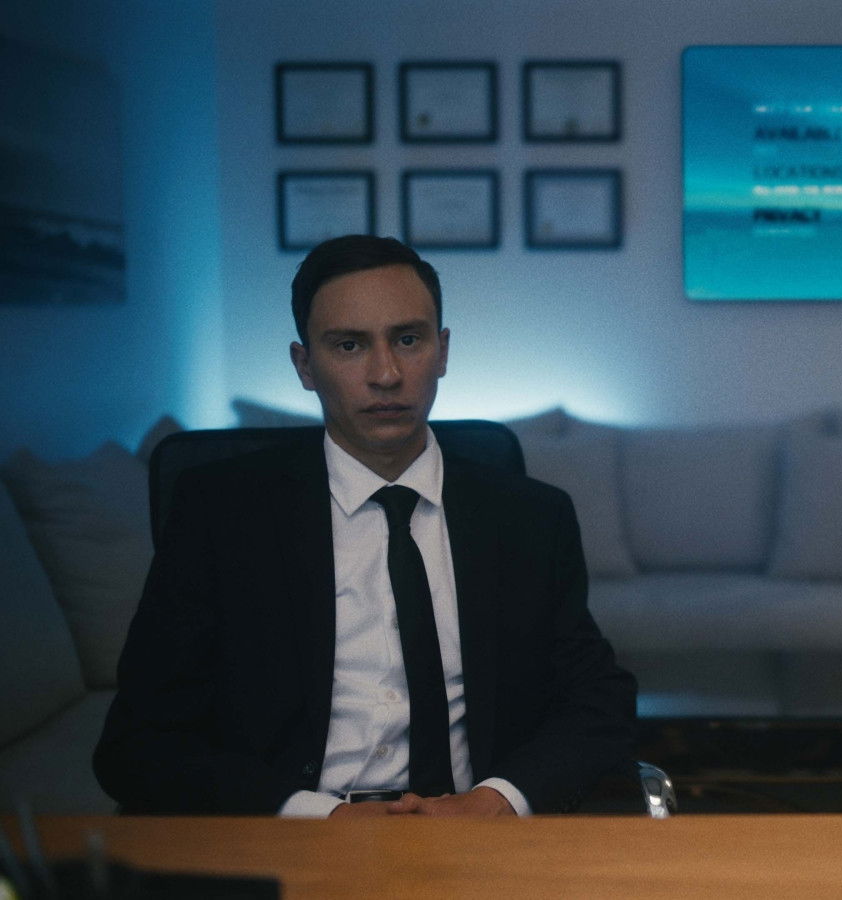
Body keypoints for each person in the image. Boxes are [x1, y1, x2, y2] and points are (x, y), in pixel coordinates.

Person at [95, 235, 637, 817]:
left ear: (443, 351)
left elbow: (598, 703)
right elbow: (137, 743)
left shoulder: (532, 516)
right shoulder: (219, 514)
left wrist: (498, 800)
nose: (386, 373)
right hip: (298, 837)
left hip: (476, 830)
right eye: (349, 345)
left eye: (408, 340)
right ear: (305, 365)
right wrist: (316, 816)